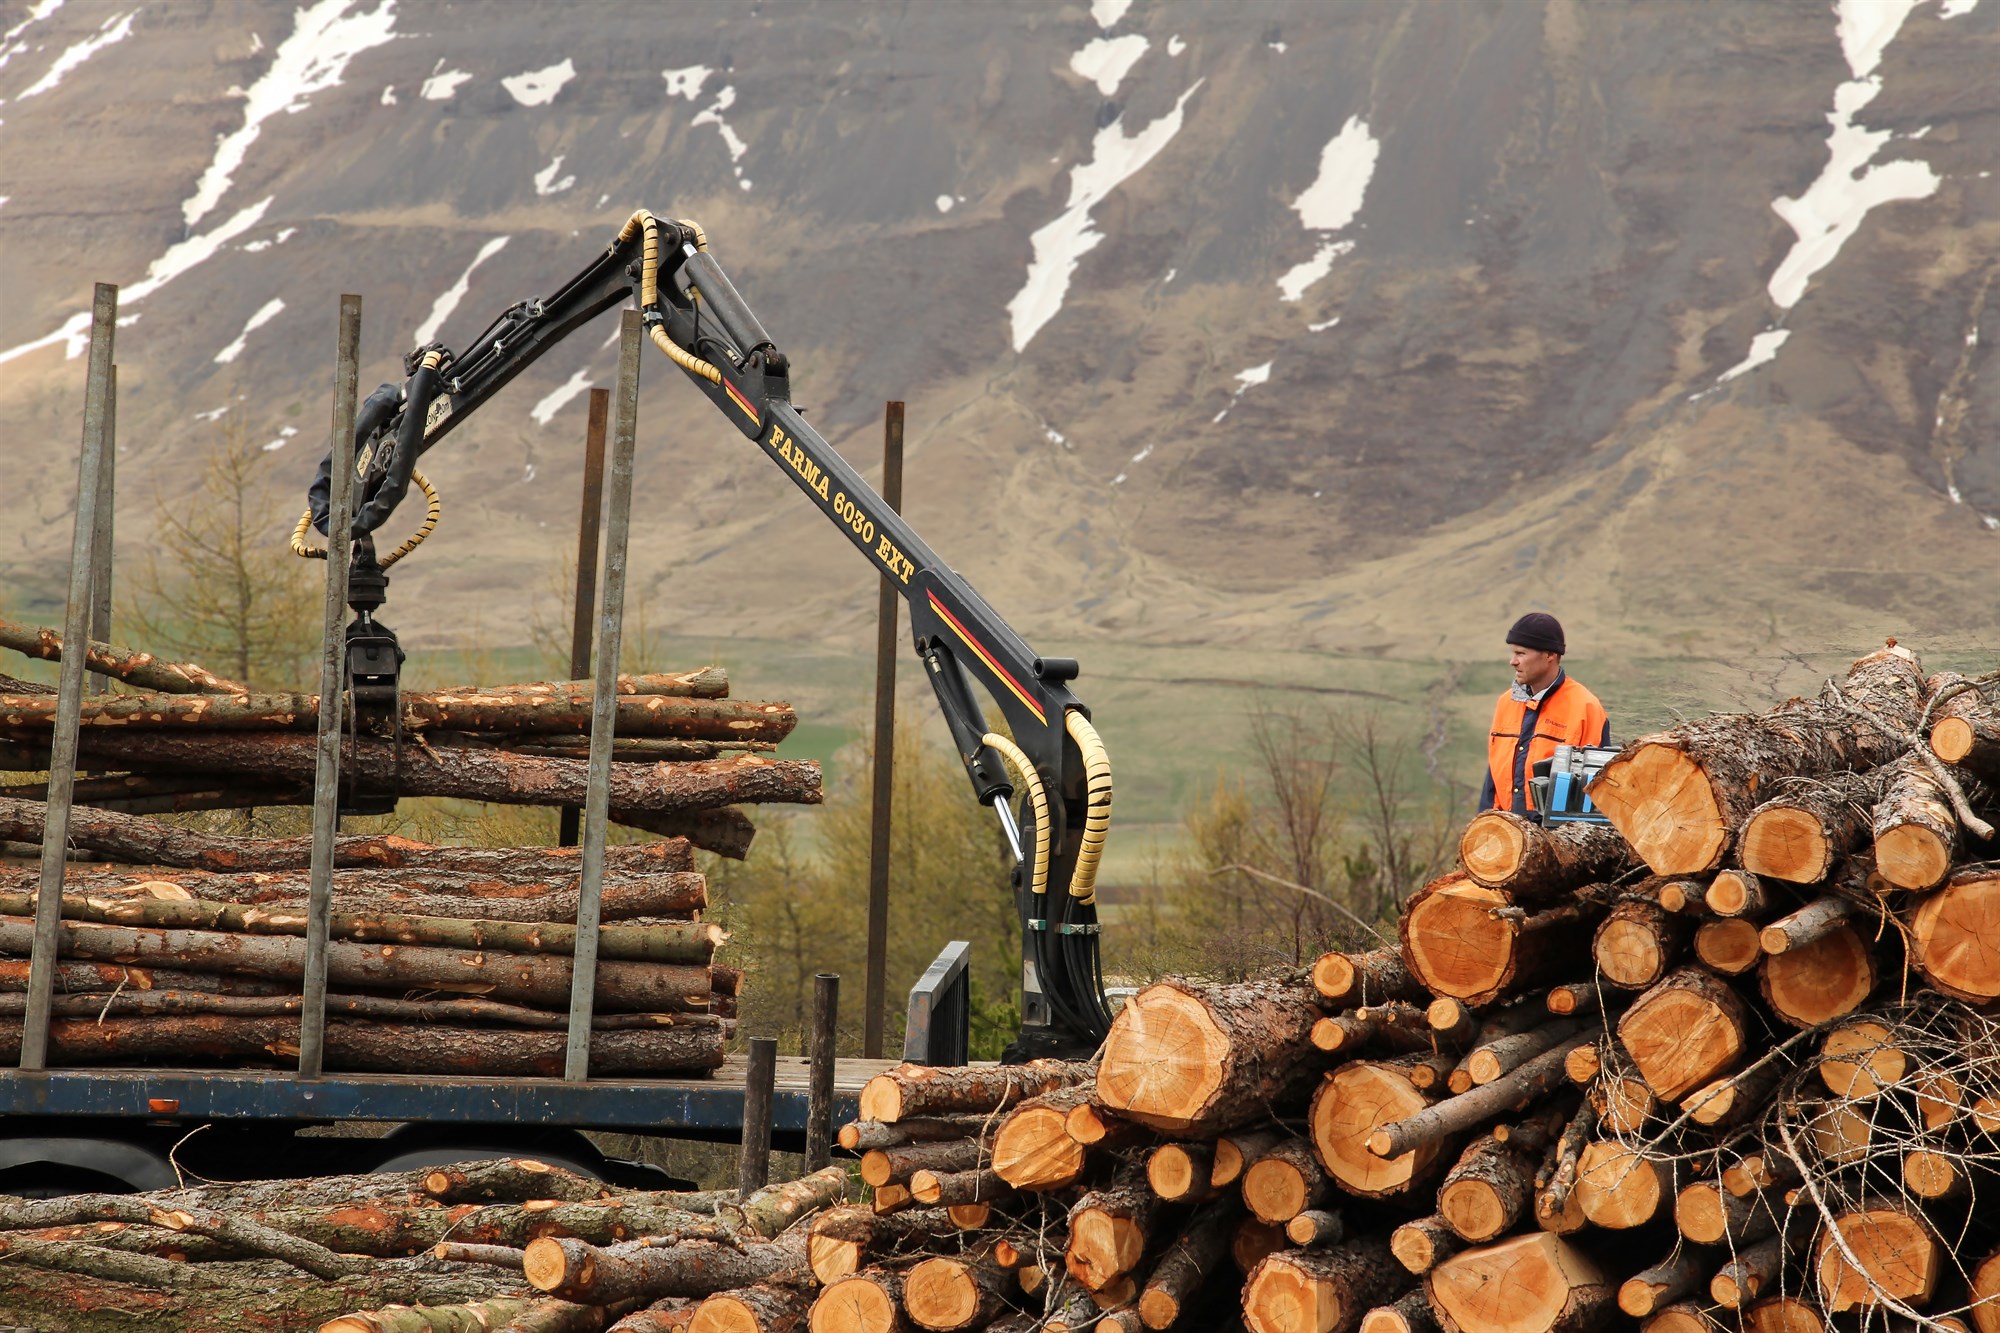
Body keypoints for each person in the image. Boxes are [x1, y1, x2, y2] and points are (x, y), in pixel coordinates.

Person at [1479, 612, 1609, 817]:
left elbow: (1597, 791)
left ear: (1550, 655)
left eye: (1521, 654)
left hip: (1559, 840)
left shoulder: (1586, 708)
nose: (1512, 661)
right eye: (1513, 653)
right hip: (1506, 835)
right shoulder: (1505, 703)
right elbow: (1491, 780)